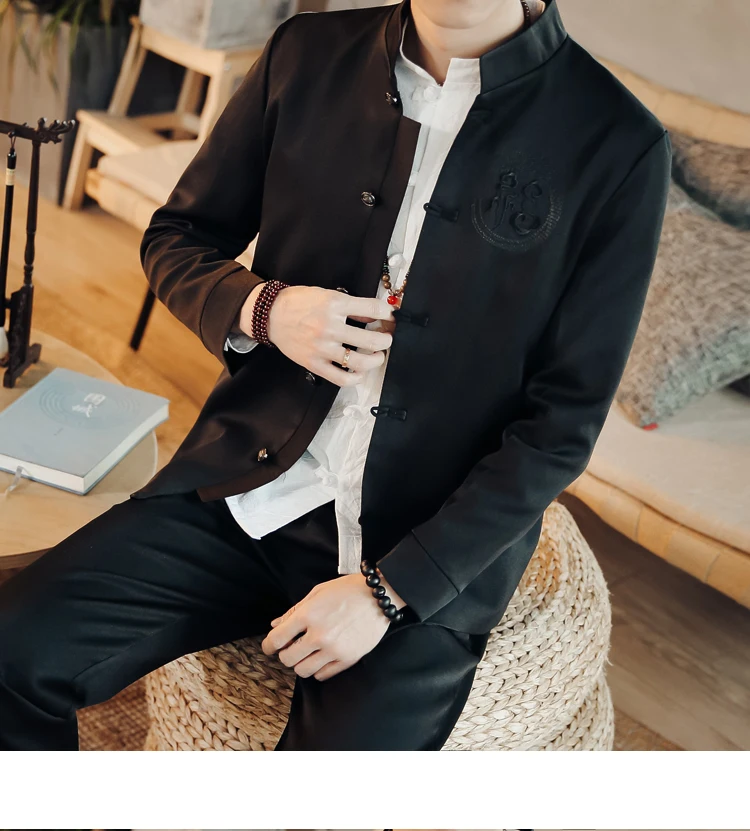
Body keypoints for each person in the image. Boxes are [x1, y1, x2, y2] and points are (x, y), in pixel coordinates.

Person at [0, 0, 671, 750]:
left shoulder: (618, 142)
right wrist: (265, 309)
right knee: (11, 653)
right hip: (250, 486)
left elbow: (561, 426)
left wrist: (389, 592)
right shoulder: (304, 53)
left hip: (421, 543)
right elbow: (177, 236)